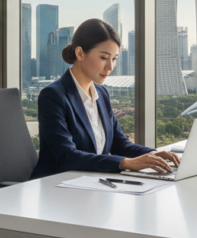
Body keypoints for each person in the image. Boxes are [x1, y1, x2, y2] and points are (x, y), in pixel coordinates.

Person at [31, 19, 180, 179]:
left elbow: (119, 144)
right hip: (56, 187)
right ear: (80, 53)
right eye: (104, 57)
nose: (110, 66)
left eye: (114, 58)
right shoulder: (53, 96)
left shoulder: (101, 94)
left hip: (92, 184)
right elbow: (67, 156)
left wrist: (154, 154)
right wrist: (125, 163)